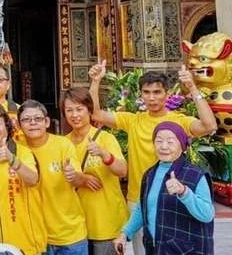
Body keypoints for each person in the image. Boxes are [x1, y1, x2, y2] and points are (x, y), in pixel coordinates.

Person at [89, 61, 217, 255]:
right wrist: (95, 81)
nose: (151, 97)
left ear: (167, 93)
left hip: (174, 197)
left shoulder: (179, 121)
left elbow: (209, 126)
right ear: (140, 95)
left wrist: (192, 87)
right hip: (139, 199)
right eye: (146, 92)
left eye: (157, 92)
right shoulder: (133, 120)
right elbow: (96, 114)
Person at [113, 122, 214, 255]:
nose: (164, 146)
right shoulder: (150, 174)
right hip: (156, 249)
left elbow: (207, 215)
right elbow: (142, 208)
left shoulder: (195, 175)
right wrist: (125, 234)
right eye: (159, 141)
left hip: (185, 250)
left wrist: (184, 192)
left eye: (170, 142)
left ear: (182, 145)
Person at [62, 88, 128, 255]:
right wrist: (81, 179)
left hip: (106, 222)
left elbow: (122, 171)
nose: (74, 115)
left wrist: (105, 155)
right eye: (69, 110)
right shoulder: (63, 143)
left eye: (79, 109)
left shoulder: (104, 138)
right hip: (76, 226)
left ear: (90, 110)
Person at [19, 99, 88, 255]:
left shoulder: (63, 144)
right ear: (20, 125)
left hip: (69, 236)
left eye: (38, 119)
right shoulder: (17, 149)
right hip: (35, 238)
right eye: (26, 120)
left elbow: (79, 179)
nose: (32, 123)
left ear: (47, 122)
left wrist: (73, 175)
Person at [0, 105, 42, 255]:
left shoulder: (22, 152)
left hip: (25, 242)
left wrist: (12, 160)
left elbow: (33, 179)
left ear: (7, 127)